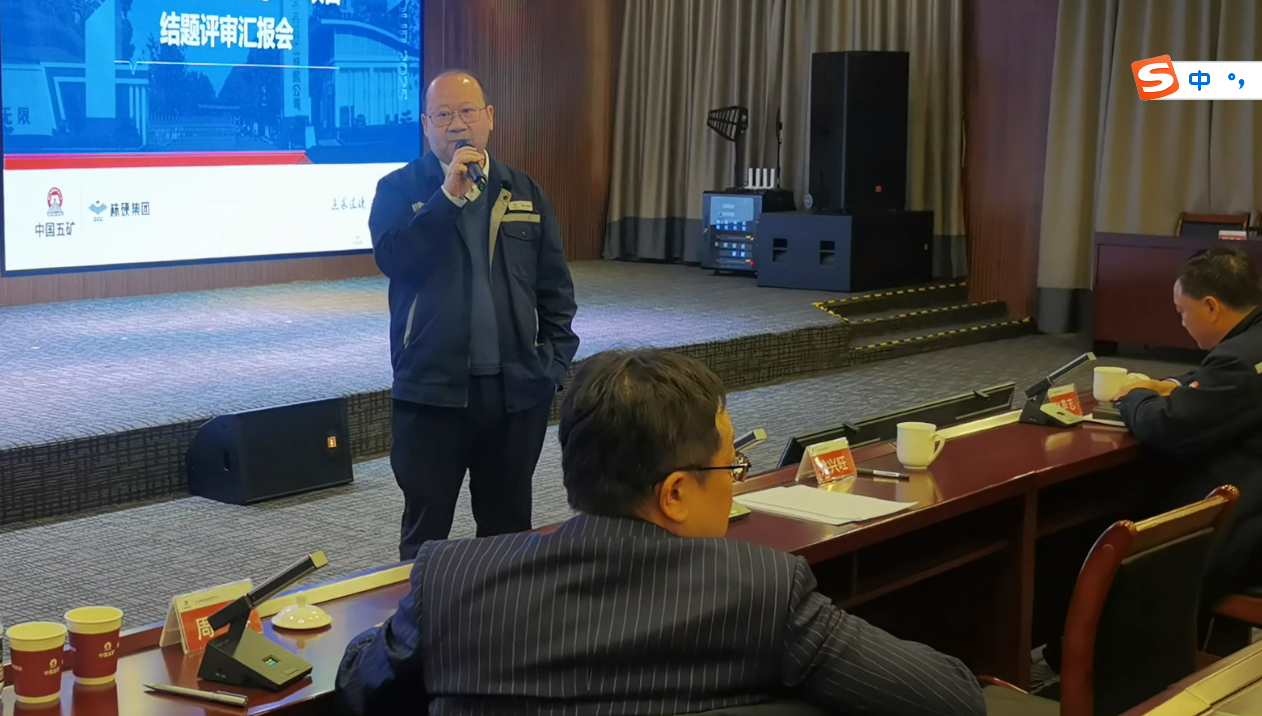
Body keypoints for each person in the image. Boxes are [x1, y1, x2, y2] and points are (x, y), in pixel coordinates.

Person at [335, 349, 989, 716]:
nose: (736, 481)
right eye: (732, 466)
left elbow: (359, 685)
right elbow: (953, 700)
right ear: (675, 493)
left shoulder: (453, 579)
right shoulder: (763, 593)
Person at [368, 70, 579, 561]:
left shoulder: (523, 190)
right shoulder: (399, 189)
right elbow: (394, 259)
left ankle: (503, 614)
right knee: (426, 538)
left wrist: (551, 368)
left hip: (515, 395)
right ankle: (423, 614)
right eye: (443, 115)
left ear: (489, 118)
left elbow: (555, 289)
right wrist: (446, 198)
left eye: (466, 111)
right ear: (426, 125)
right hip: (431, 393)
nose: (456, 124)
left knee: (508, 533)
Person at [1110, 246, 1262, 647]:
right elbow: (1215, 385)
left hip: (1249, 523)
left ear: (1211, 307)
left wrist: (1134, 396)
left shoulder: (1237, 361)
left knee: (1142, 555)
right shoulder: (1250, 345)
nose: (1181, 322)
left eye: (1182, 311)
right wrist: (1173, 385)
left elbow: (1168, 427)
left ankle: (1125, 662)